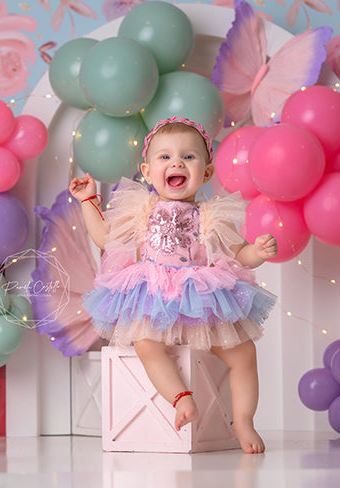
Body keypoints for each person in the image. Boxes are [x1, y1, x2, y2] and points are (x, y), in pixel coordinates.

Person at [69, 116, 277, 454]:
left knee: (244, 354)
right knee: (146, 345)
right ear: (148, 171)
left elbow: (239, 253)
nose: (176, 162)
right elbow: (105, 237)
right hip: (153, 293)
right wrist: (88, 201)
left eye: (189, 157)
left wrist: (258, 251)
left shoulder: (212, 216)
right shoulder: (141, 209)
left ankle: (243, 420)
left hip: (199, 297)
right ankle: (181, 399)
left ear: (206, 173)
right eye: (164, 157)